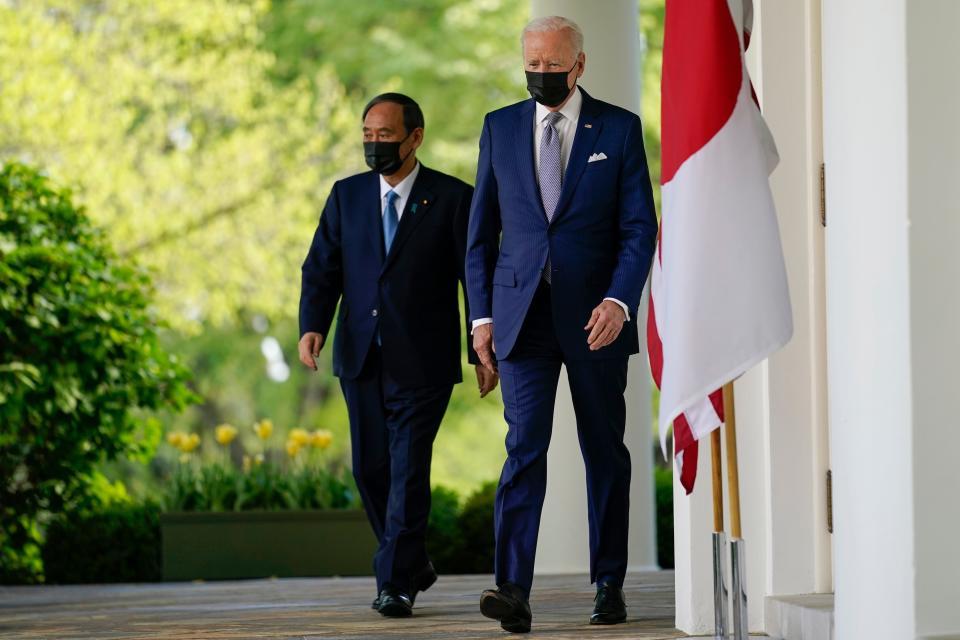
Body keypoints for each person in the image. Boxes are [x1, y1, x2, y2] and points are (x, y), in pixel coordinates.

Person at [465, 16, 658, 633]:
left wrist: (619, 301)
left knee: (604, 450)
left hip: (596, 320)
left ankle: (609, 585)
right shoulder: (499, 128)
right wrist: (482, 319)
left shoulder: (620, 131)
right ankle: (513, 590)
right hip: (522, 320)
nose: (540, 74)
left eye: (552, 64)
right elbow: (480, 236)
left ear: (579, 65)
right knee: (524, 450)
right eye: (532, 63)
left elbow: (638, 229)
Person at [298, 93, 498, 618]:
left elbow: (473, 276)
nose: (374, 144)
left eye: (385, 134)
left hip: (423, 360)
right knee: (370, 469)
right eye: (367, 134)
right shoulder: (345, 197)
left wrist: (481, 347)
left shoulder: (454, 199)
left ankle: (394, 584)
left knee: (408, 469)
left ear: (415, 137)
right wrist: (312, 325)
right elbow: (321, 267)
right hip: (360, 356)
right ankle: (412, 561)